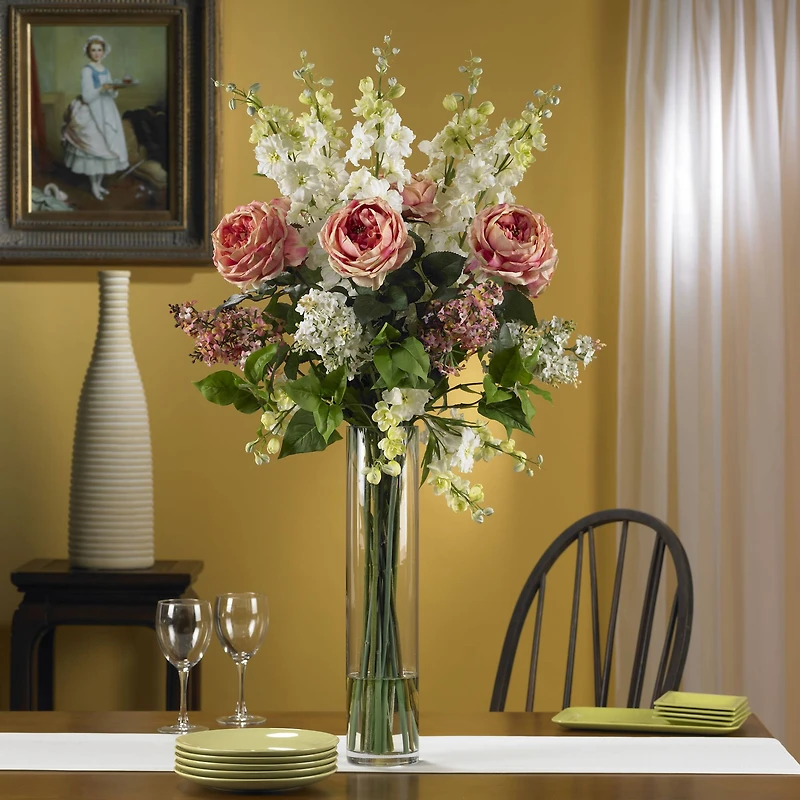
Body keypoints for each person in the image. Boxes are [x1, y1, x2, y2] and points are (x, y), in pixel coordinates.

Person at [61, 35, 129, 201]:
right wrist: (101, 89)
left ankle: (98, 185)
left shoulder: (105, 70)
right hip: (91, 113)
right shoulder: (86, 70)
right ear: (88, 52)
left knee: (106, 150)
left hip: (106, 111)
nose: (97, 53)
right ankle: (93, 187)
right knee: (95, 152)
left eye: (99, 50)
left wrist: (112, 89)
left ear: (103, 52)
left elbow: (112, 94)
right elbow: (87, 97)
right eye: (94, 50)